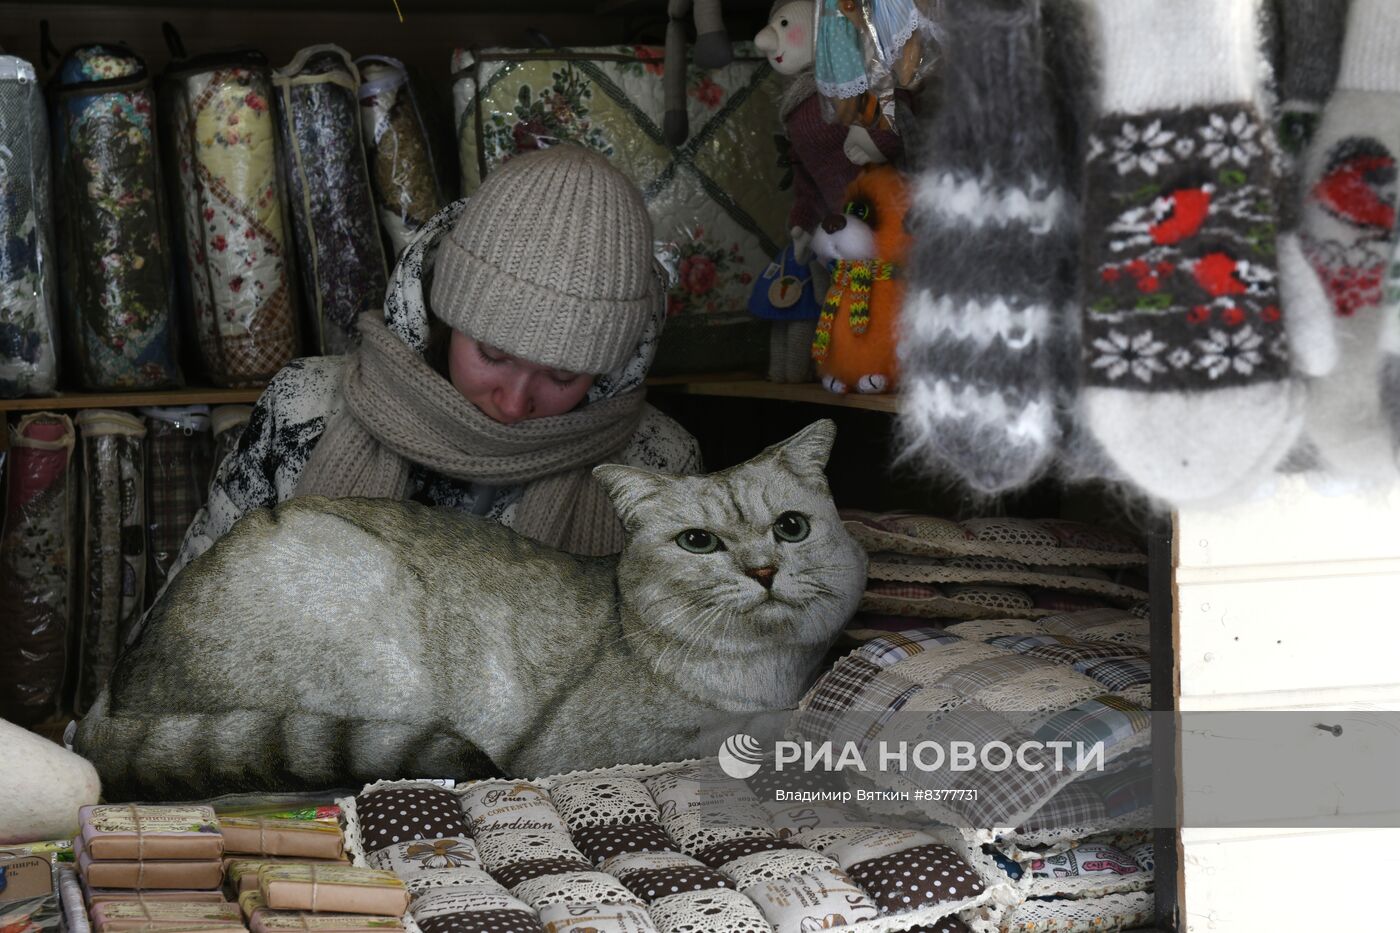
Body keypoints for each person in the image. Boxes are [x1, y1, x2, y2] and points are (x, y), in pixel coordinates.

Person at [169, 146, 701, 577]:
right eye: (492, 354)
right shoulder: (303, 407)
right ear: (444, 315)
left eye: (564, 375)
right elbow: (191, 612)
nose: (514, 404)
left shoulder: (658, 468)